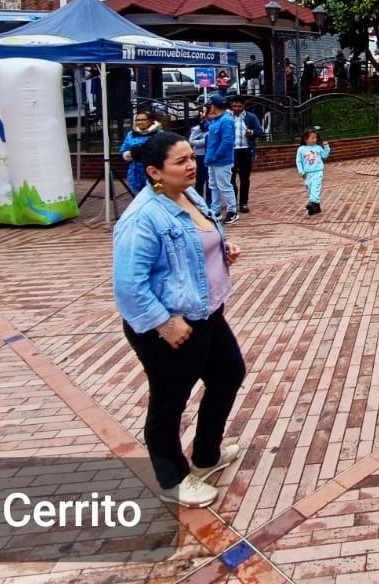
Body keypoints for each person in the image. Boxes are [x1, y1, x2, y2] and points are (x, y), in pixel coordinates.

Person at [112, 132, 246, 507]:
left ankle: (206, 455)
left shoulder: (188, 194)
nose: (192, 165)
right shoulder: (142, 218)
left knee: (229, 373)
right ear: (155, 171)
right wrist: (163, 322)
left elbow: (197, 242)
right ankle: (172, 479)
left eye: (192, 157)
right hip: (170, 326)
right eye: (181, 161)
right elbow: (128, 285)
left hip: (207, 313)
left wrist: (222, 249)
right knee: (169, 402)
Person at [204, 95, 239, 225]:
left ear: (214, 106)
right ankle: (216, 210)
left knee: (224, 186)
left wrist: (215, 156)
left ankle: (232, 211)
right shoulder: (217, 120)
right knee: (213, 186)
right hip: (213, 160)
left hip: (221, 160)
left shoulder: (226, 120)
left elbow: (227, 141)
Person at [228, 96, 261, 215]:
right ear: (231, 106)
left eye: (239, 106)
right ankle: (233, 201)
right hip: (231, 151)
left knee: (244, 178)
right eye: (234, 106)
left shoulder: (250, 117)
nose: (237, 108)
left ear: (244, 106)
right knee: (230, 179)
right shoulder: (227, 117)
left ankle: (243, 203)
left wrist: (251, 133)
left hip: (246, 150)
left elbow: (259, 131)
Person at [120, 109, 162, 194]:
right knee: (139, 198)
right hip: (135, 174)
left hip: (156, 174)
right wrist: (129, 154)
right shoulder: (131, 134)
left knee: (160, 195)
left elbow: (164, 152)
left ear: (150, 121)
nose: (139, 122)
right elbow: (124, 149)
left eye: (143, 120)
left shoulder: (159, 134)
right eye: (137, 120)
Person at [296, 127, 330, 216]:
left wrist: (326, 147)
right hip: (306, 173)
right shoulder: (301, 149)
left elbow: (324, 155)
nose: (315, 139)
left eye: (316, 138)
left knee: (315, 187)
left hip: (318, 171)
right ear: (305, 139)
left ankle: (312, 203)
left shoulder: (318, 147)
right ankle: (316, 207)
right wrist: (301, 171)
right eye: (312, 138)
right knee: (310, 189)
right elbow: (298, 161)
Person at [188, 103, 209, 202]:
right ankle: (198, 200)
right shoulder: (196, 129)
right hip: (200, 156)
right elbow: (191, 141)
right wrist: (205, 141)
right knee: (200, 181)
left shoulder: (213, 126)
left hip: (210, 155)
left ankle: (210, 201)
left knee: (210, 182)